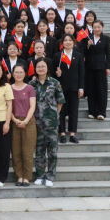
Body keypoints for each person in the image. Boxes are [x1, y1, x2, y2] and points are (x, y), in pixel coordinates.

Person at [30, 58, 65, 187]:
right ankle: (39, 175)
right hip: (37, 123)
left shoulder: (55, 83)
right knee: (39, 151)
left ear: (47, 68)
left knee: (52, 152)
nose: (41, 68)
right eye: (38, 66)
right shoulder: (31, 84)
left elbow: (60, 101)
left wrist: (55, 114)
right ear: (35, 68)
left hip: (52, 124)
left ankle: (50, 175)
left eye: (43, 66)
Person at [53, 34, 84, 144]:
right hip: (61, 87)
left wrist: (81, 87)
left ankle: (72, 134)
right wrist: (57, 74)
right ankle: (61, 133)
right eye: (65, 40)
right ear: (62, 43)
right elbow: (53, 73)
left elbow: (81, 73)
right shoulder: (58, 56)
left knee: (73, 111)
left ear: (73, 42)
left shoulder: (78, 55)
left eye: (70, 40)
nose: (67, 42)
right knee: (61, 111)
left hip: (74, 88)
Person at [10, 64, 37, 187]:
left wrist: (25, 121)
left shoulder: (30, 88)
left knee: (27, 151)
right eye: (16, 72)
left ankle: (27, 177)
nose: (18, 74)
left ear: (25, 73)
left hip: (28, 122)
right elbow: (8, 107)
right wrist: (14, 120)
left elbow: (32, 106)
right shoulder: (9, 88)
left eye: (21, 72)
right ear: (12, 74)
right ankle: (19, 176)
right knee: (16, 151)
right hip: (14, 121)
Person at [84, 20, 110, 120]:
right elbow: (84, 53)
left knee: (101, 90)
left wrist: (108, 67)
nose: (96, 29)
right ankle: (92, 111)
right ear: (92, 28)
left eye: (98, 27)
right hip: (90, 67)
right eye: (95, 27)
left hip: (101, 67)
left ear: (102, 27)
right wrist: (88, 46)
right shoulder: (88, 38)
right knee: (91, 90)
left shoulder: (106, 38)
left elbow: (108, 54)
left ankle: (101, 112)